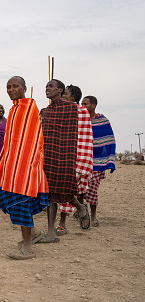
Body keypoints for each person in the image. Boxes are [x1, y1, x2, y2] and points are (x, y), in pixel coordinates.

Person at [0, 76, 49, 259]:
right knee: (6, 199)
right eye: (8, 86)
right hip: (12, 165)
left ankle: (27, 248)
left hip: (25, 167)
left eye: (15, 86)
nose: (11, 89)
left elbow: (32, 139)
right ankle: (34, 232)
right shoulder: (15, 109)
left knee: (21, 203)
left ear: (24, 88)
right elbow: (12, 142)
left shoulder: (29, 106)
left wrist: (26, 164)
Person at [40, 79, 91, 243]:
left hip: (65, 156)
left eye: (51, 86)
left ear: (60, 90)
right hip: (49, 155)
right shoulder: (47, 111)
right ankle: (50, 232)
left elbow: (81, 132)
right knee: (50, 194)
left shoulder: (72, 109)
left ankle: (81, 208)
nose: (47, 88)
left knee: (65, 189)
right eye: (46, 86)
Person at [56, 85, 93, 235]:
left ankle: (63, 223)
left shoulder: (82, 112)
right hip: (61, 155)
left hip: (78, 157)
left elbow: (84, 137)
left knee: (67, 189)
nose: (63, 96)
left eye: (65, 94)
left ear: (73, 98)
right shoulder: (59, 111)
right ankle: (80, 208)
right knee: (60, 189)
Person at [81, 95, 116, 227]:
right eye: (82, 104)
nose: (83, 106)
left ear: (93, 105)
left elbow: (109, 139)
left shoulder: (103, 120)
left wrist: (108, 159)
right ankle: (82, 211)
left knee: (92, 189)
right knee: (80, 189)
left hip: (98, 162)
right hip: (83, 159)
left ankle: (93, 216)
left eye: (86, 104)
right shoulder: (79, 120)